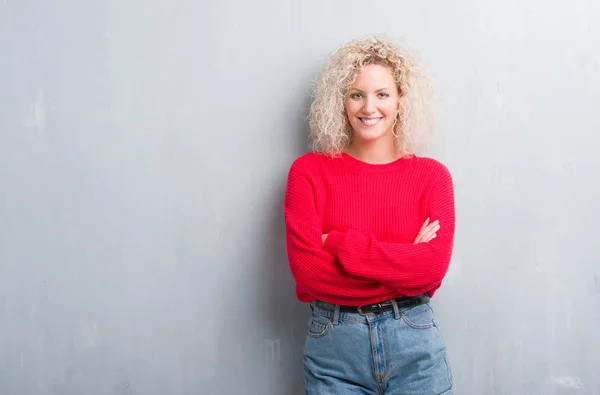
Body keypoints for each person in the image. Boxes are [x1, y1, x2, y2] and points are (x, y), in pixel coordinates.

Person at [283, 35, 456, 395]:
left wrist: (339, 243)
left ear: (400, 101)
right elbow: (309, 274)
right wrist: (403, 261)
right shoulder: (308, 172)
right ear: (340, 101)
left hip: (414, 346)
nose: (369, 107)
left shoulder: (432, 176)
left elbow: (431, 269)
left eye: (382, 94)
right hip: (334, 351)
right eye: (356, 94)